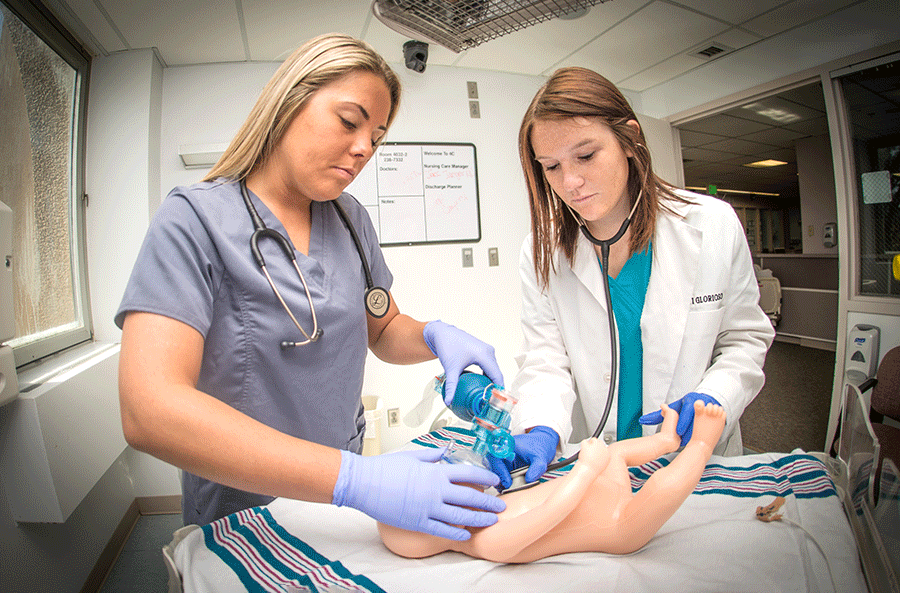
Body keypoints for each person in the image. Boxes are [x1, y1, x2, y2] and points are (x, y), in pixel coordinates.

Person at [115, 33, 506, 540]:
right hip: (246, 504)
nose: (365, 148)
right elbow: (149, 410)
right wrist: (356, 481)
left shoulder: (350, 220)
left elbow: (383, 329)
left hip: (342, 504)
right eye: (349, 122)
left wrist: (434, 334)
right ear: (287, 104)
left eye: (377, 136)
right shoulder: (193, 221)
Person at [489, 66, 774, 490]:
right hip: (598, 465)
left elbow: (744, 340)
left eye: (585, 156)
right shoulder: (540, 250)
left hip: (693, 461)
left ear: (629, 139)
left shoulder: (711, 224)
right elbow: (546, 358)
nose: (570, 182)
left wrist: (717, 396)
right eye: (551, 166)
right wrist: (540, 426)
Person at [378, 400, 726, 562]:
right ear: (441, 524)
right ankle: (700, 445)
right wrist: (586, 470)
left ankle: (668, 441)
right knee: (662, 489)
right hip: (616, 524)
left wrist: (592, 470)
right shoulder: (487, 541)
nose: (453, 466)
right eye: (443, 478)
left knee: (618, 452)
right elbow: (552, 512)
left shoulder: (489, 506)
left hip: (600, 482)